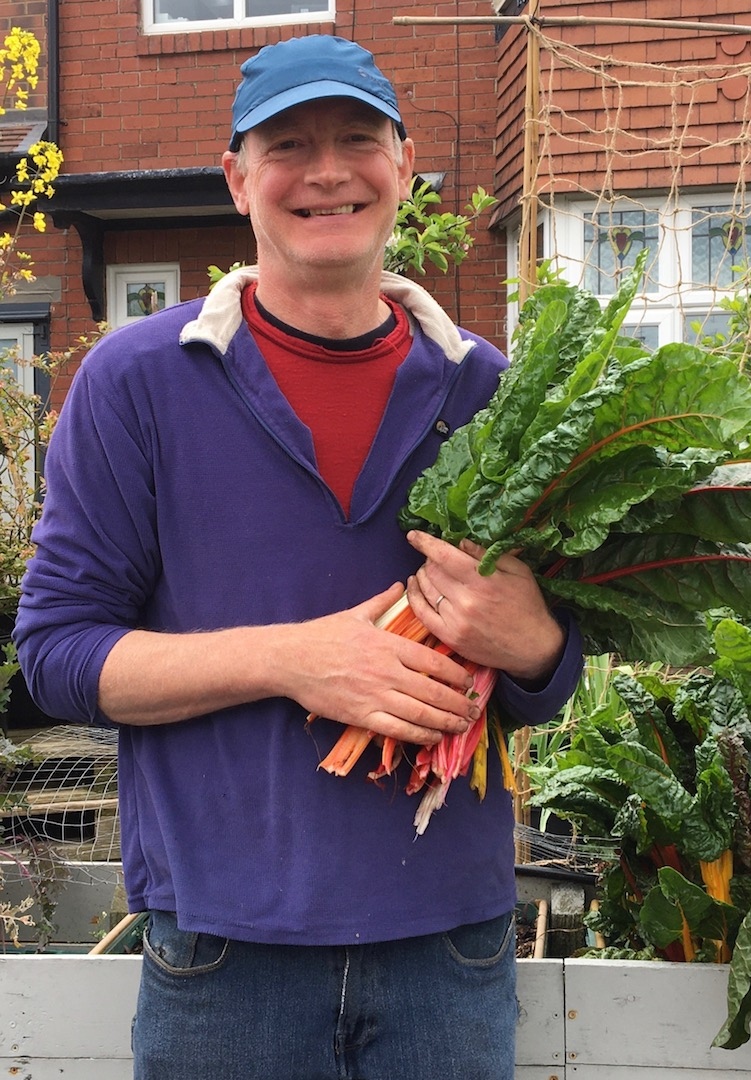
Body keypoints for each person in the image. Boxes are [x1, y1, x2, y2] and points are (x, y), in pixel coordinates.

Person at [14, 34, 583, 1080]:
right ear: (237, 178)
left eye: (357, 139)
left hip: (450, 945)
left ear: (403, 165)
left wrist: (538, 642)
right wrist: (296, 659)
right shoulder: (136, 383)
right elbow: (57, 657)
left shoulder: (490, 390)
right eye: (288, 145)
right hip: (225, 949)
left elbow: (548, 683)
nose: (327, 171)